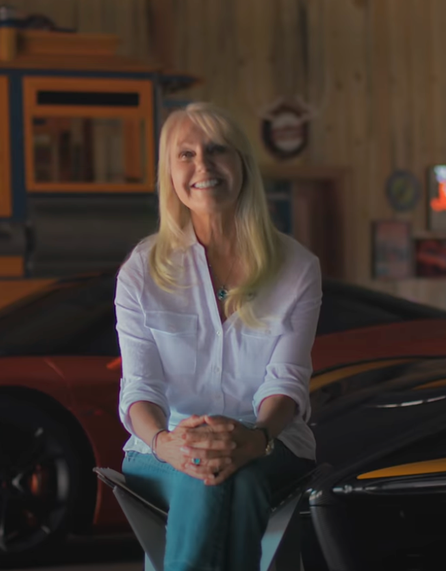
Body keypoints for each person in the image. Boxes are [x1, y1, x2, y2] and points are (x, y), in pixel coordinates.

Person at [115, 102, 322, 571]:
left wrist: (257, 437)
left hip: (270, 441)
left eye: (216, 150)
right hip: (164, 445)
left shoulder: (297, 268)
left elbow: (286, 380)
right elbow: (139, 388)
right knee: (210, 477)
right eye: (184, 154)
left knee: (239, 476)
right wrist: (166, 442)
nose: (202, 165)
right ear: (170, 175)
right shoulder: (141, 271)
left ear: (242, 163)